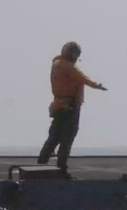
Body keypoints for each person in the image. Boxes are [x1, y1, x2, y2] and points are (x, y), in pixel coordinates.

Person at [37, 42, 106, 171]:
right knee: (67, 138)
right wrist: (98, 86)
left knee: (54, 137)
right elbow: (83, 79)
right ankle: (61, 167)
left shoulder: (57, 63)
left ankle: (41, 166)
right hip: (69, 107)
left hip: (59, 106)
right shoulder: (68, 67)